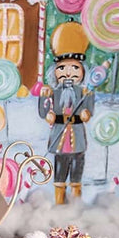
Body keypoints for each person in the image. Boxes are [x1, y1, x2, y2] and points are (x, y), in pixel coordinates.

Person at [38, 20, 94, 204]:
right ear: (55, 71)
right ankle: (59, 201)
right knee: (60, 168)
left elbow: (88, 111)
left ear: (82, 71)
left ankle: (76, 200)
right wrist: (45, 106)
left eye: (74, 67)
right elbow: (43, 111)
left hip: (77, 136)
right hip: (59, 135)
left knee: (77, 167)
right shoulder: (53, 92)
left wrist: (86, 112)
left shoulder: (84, 92)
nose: (68, 72)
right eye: (62, 68)